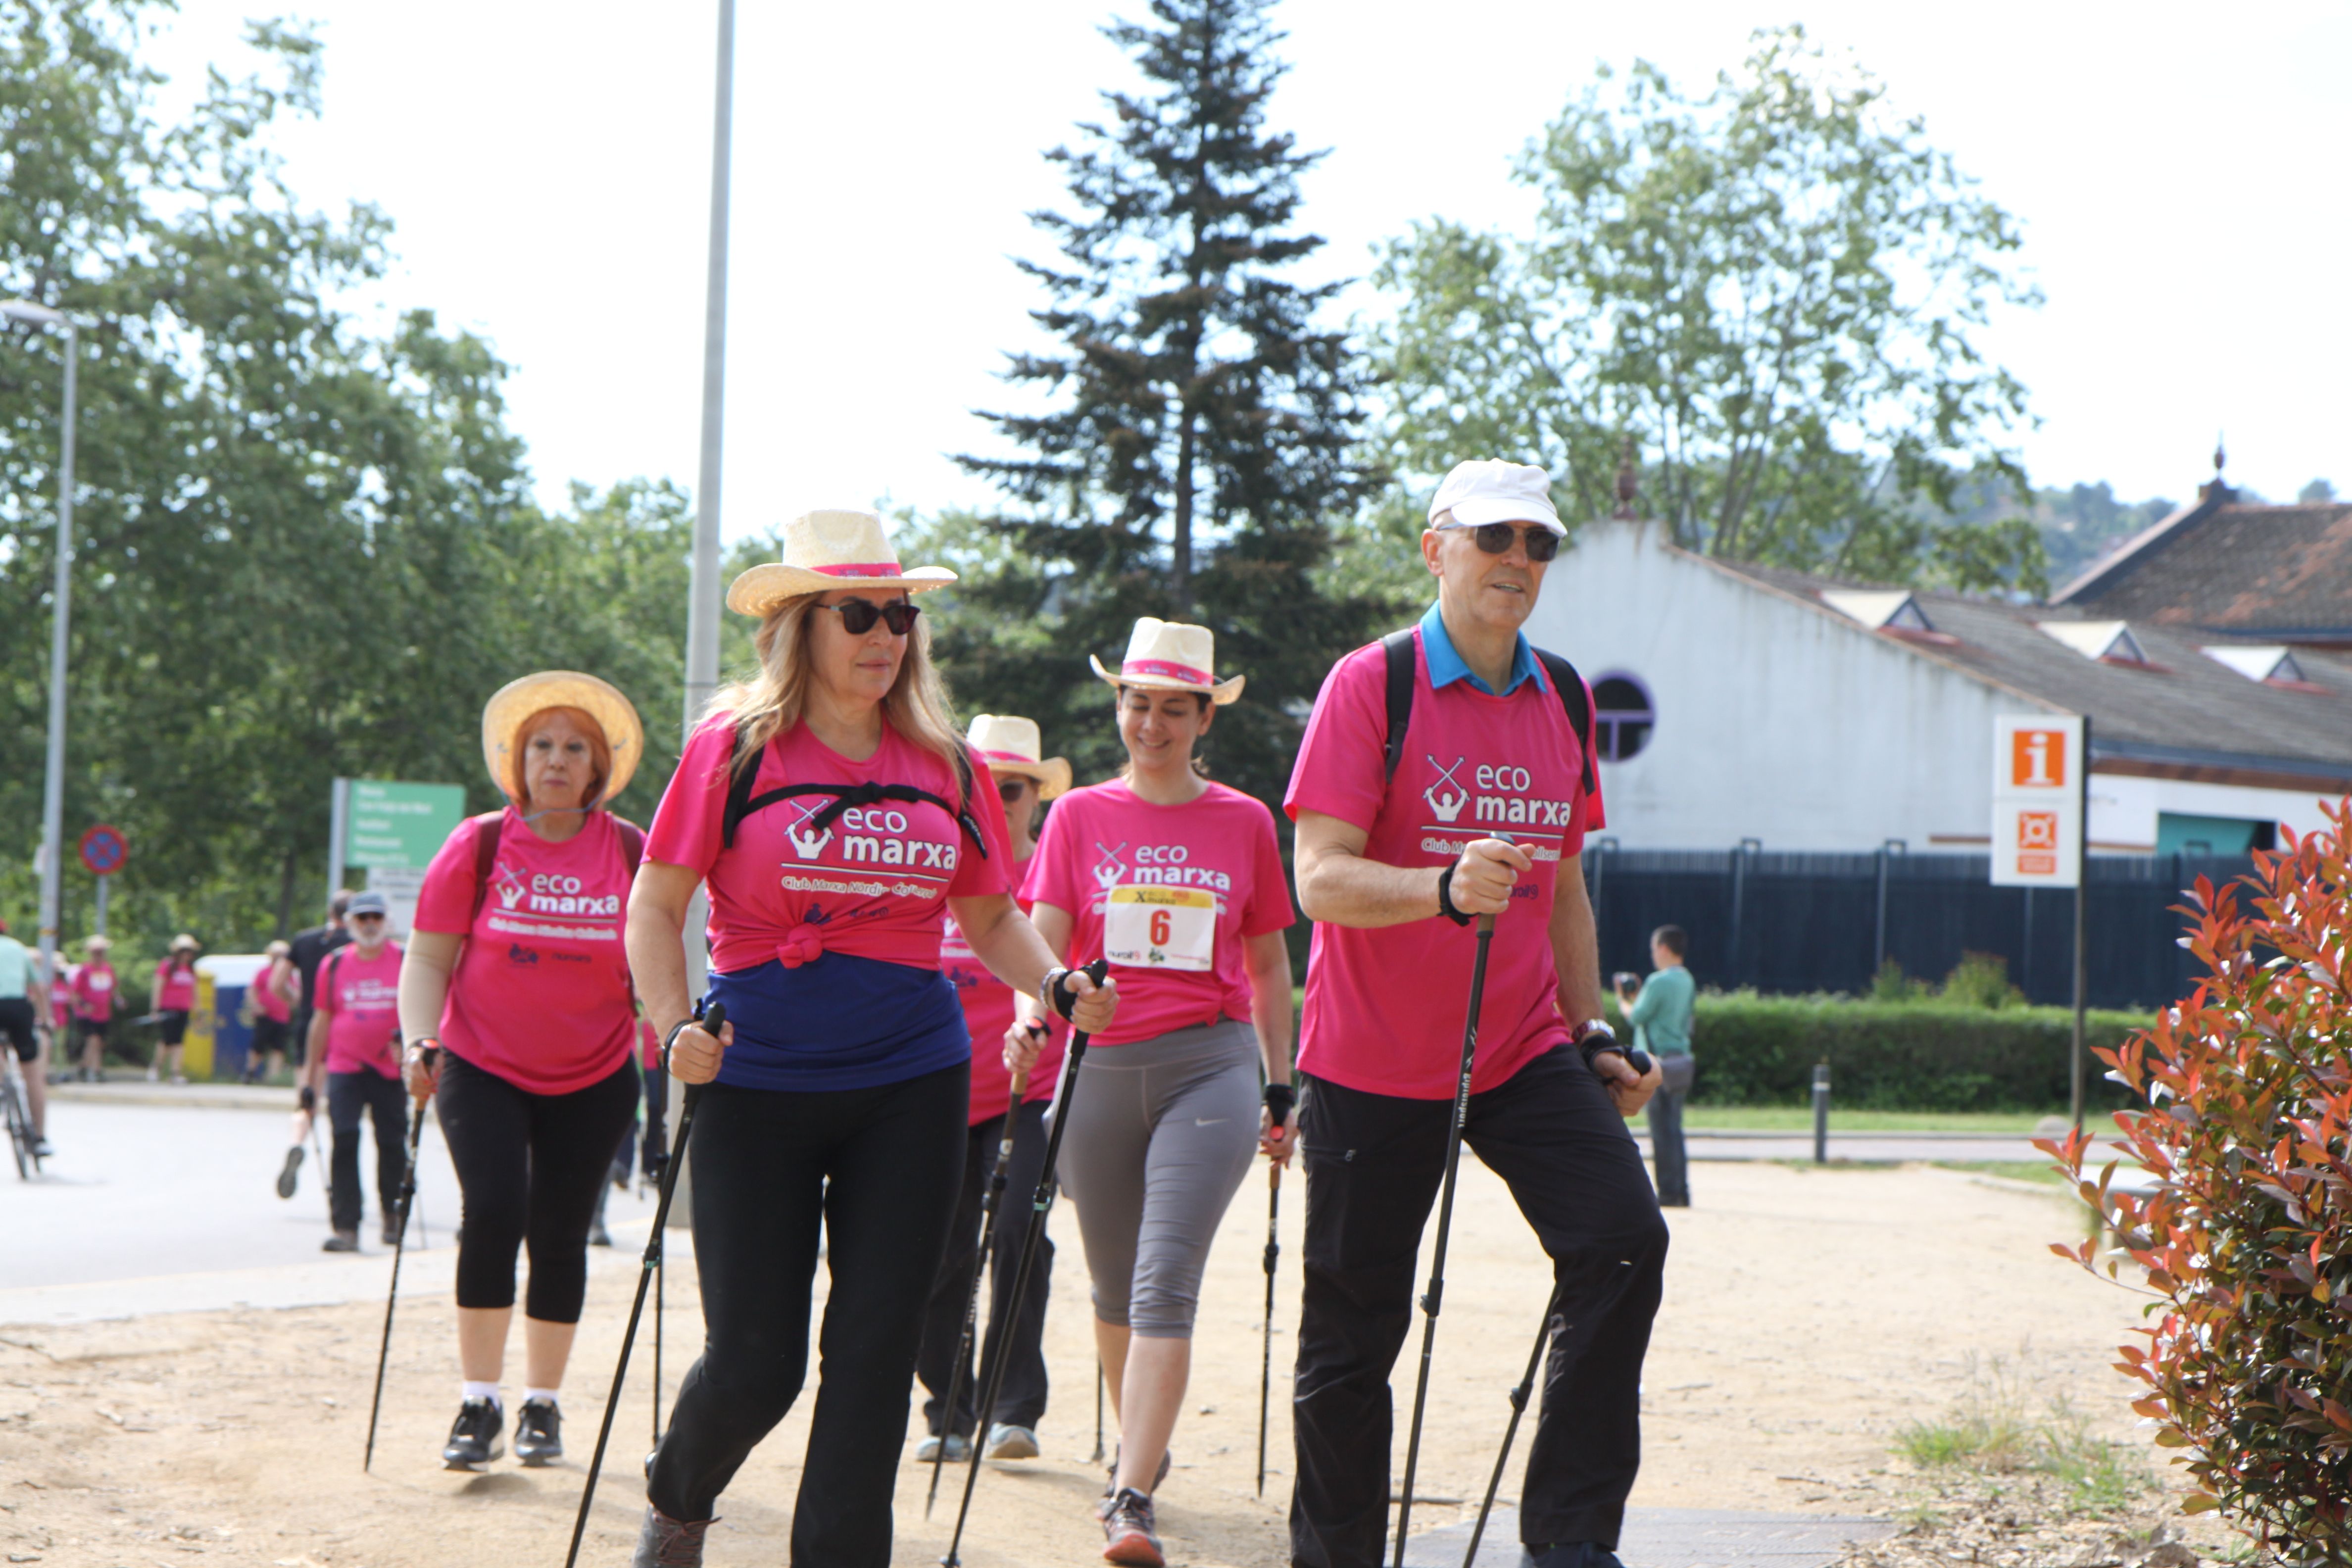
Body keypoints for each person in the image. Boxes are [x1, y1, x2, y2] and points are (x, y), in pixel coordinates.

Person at [624, 509, 1116, 1568]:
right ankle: (677, 1499)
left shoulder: (947, 761)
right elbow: (654, 908)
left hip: (911, 1083)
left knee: (872, 1354)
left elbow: (989, 916)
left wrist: (1057, 981)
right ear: (800, 626)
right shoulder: (735, 749)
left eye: (900, 614)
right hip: (754, 1080)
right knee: (758, 1361)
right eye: (860, 613)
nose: (886, 634)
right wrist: (674, 1033)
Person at [1283, 459, 1666, 1568]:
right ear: (1435, 546)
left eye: (1539, 543)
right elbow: (1319, 878)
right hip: (1370, 1062)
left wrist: (1591, 1031)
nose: (1518, 560)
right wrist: (1441, 887)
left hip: (1520, 1049)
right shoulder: (1374, 684)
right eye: (1495, 537)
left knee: (1625, 1242)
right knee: (1354, 1341)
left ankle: (1571, 1545)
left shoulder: (1565, 693)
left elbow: (1567, 890)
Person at [1020, 618, 1297, 1568]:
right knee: (1110, 1289)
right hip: (1098, 1066)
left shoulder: (1245, 820)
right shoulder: (1078, 816)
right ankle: (1144, 1443)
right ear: (1119, 706)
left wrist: (1280, 1080)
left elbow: (1267, 962)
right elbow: (1044, 935)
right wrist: (1036, 1013)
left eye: (1174, 706)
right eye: (1138, 702)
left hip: (1208, 1066)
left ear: (1203, 717)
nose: (1152, 721)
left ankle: (1128, 1496)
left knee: (1161, 1279)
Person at [397, 671, 651, 1470]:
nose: (557, 758)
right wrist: (418, 1039)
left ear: (598, 766)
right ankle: (480, 1400)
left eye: (576, 746)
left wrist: (675, 1025)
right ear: (517, 758)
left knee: (560, 1231)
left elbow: (657, 959)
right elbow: (429, 954)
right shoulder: (476, 843)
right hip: (481, 1064)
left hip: (598, 1070)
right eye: (542, 744)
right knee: (495, 1210)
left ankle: (542, 1405)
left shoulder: (629, 849)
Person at [913, 713, 1074, 1466]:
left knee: (1017, 1237)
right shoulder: (932, 862)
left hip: (1027, 1095)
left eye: (1011, 789)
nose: (995, 800)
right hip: (934, 1093)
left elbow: (1080, 981)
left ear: (1035, 798)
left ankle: (1014, 1408)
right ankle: (947, 1407)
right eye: (978, 785)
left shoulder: (1055, 872)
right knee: (937, 1250)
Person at [300, 891, 404, 1253]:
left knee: (392, 1143)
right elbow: (321, 1020)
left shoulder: (405, 960)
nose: (370, 924)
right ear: (350, 924)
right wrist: (310, 1078)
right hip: (345, 1067)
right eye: (362, 918)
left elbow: (427, 1010)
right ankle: (346, 1227)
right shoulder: (333, 965)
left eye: (376, 917)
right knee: (344, 1140)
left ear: (387, 921)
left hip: (392, 1067)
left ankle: (393, 1215)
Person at [1617, 925, 1696, 1209]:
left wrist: (1624, 1000)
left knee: (1661, 1132)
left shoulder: (1658, 981)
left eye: (1653, 949)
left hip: (1658, 1062)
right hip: (1682, 1060)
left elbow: (1637, 1015)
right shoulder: (1687, 979)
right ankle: (1682, 1190)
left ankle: (1668, 1193)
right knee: (1675, 1129)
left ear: (1663, 949)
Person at [288, 890, 355, 1077]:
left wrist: (296, 1000)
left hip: (309, 1014)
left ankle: (306, 1104)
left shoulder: (304, 939)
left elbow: (277, 982)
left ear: (330, 912)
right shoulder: (359, 945)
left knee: (307, 1070)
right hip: (346, 1018)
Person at [0, 918, 51, 1156]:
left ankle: (1, 1090)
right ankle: (40, 1138)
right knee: (32, 1075)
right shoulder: (19, 948)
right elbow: (40, 988)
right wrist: (46, 1019)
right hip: (18, 1007)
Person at [151, 934, 201, 1083]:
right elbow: (158, 987)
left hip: (183, 1009)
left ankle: (175, 1072)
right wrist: (155, 1009)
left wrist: (198, 1012)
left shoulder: (191, 970)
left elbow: (195, 993)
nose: (187, 954)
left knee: (179, 1041)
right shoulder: (167, 966)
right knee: (167, 1040)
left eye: (190, 951)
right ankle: (157, 1068)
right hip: (167, 1008)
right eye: (184, 950)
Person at [244, 940, 296, 1083]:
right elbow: (252, 990)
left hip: (282, 1017)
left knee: (278, 1048)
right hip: (265, 1015)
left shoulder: (289, 974)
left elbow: (294, 993)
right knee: (258, 1046)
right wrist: (256, 1005)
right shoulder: (263, 972)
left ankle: (273, 1078)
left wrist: (292, 1004)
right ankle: (250, 1072)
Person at [67, 935, 116, 1082]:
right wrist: (83, 1005)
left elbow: (112, 989)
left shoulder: (108, 969)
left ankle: (84, 1066)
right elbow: (74, 994)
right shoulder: (85, 971)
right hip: (88, 1013)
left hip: (104, 1013)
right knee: (93, 1040)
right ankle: (97, 1070)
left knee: (99, 1042)